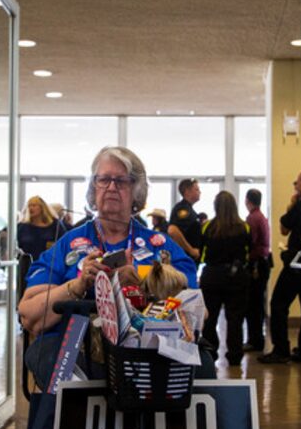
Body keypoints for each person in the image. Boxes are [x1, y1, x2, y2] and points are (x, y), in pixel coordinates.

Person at [19, 146, 197, 348]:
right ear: (94, 189)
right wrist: (78, 286)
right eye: (104, 180)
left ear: (136, 191)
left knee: (203, 367)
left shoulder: (160, 245)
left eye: (120, 181)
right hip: (77, 351)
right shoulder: (69, 244)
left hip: (147, 353)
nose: (111, 187)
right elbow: (29, 316)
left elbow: (197, 313)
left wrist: (142, 287)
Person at [259, 173, 301, 364]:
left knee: (278, 305)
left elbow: (283, 228)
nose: (294, 184)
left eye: (296, 182)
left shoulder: (299, 206)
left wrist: (291, 203)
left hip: (295, 266)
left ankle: (281, 350)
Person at [198, 190, 251, 366]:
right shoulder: (243, 227)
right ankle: (235, 355)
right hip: (236, 277)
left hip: (212, 276)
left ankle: (210, 352)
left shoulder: (208, 227)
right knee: (235, 318)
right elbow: (247, 252)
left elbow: (202, 252)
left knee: (210, 318)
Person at [243, 188, 272, 352]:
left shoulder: (252, 219)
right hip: (263, 262)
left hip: (256, 265)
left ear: (248, 200)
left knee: (252, 304)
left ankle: (254, 340)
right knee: (257, 303)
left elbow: (251, 241)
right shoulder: (261, 217)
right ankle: (256, 339)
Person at [167, 178, 203, 262]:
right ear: (187, 192)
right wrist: (191, 250)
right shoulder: (183, 209)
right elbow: (172, 230)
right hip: (183, 259)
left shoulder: (189, 209)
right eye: (197, 189)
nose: (200, 192)